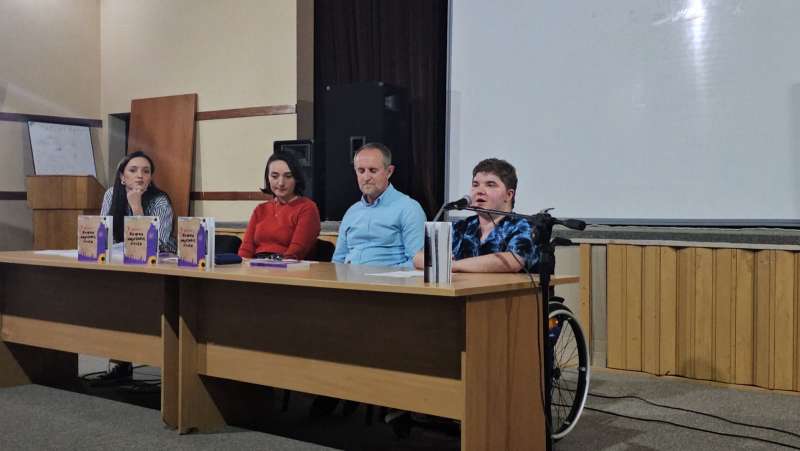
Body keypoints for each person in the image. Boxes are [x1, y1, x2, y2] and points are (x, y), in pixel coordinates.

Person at [95, 150, 177, 382]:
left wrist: (137, 207)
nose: (140, 175)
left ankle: (139, 358)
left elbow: (158, 244)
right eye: (133, 170)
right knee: (111, 298)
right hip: (120, 266)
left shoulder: (160, 200)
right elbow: (104, 234)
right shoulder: (112, 194)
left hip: (157, 268)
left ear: (151, 177)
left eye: (146, 171)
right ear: (122, 177)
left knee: (131, 301)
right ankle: (120, 361)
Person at [414, 158, 538, 273]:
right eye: (475, 184)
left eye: (490, 185)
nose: (479, 191)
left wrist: (452, 265)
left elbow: (512, 261)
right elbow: (418, 258)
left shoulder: (526, 226)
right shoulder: (461, 226)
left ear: (509, 195)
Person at [332, 142, 426, 268]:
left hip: (388, 278)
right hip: (348, 277)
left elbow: (417, 262)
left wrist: (385, 275)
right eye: (361, 171)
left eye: (373, 170)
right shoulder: (352, 212)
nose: (366, 177)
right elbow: (337, 261)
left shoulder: (409, 209)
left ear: (389, 171)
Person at [238, 151, 320, 260]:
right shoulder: (260, 209)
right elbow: (246, 249)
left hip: (288, 265)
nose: (281, 183)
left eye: (288, 176)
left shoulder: (307, 208)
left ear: (296, 178)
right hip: (256, 264)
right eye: (275, 176)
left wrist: (274, 265)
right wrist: (242, 265)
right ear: (268, 178)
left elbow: (296, 251)